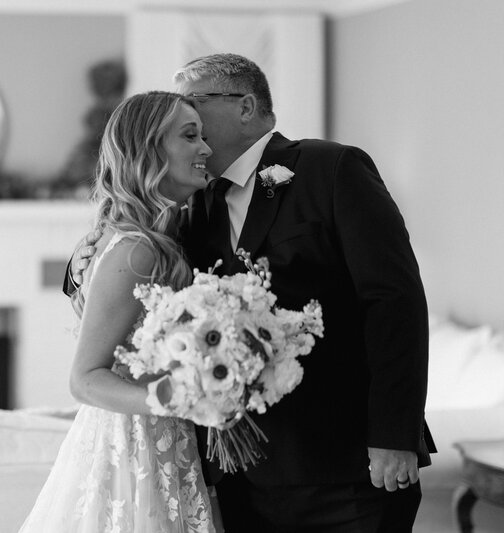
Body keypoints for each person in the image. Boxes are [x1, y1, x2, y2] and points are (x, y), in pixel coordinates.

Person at [67, 53, 436, 532]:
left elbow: (395, 302)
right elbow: (121, 279)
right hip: (239, 478)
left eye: (192, 103)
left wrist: (394, 433)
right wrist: (84, 256)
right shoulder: (187, 203)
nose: (188, 120)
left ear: (245, 106)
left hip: (346, 467)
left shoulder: (331, 169)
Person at [19, 91, 219, 532]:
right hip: (135, 450)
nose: (206, 149)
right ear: (149, 149)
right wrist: (172, 398)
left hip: (162, 441)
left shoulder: (155, 239)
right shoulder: (137, 251)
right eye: (191, 136)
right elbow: (85, 378)